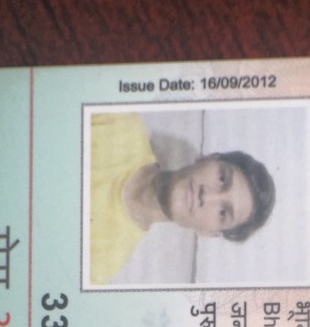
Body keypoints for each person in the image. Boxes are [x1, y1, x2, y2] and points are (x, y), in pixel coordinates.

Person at [90, 113, 276, 284]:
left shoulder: (101, 266)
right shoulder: (118, 121)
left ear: (208, 233)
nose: (207, 196)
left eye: (222, 213)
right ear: (206, 159)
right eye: (222, 178)